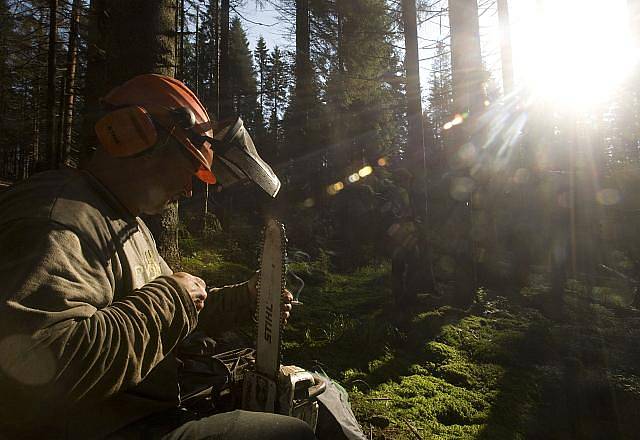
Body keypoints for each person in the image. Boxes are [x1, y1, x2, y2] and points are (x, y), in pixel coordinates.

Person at [0, 74, 315, 440]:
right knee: (290, 434)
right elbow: (31, 372)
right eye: (189, 167)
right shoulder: (58, 219)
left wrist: (244, 299)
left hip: (137, 409)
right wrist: (171, 298)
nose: (189, 188)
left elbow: (176, 313)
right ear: (139, 136)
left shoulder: (124, 220)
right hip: (103, 427)